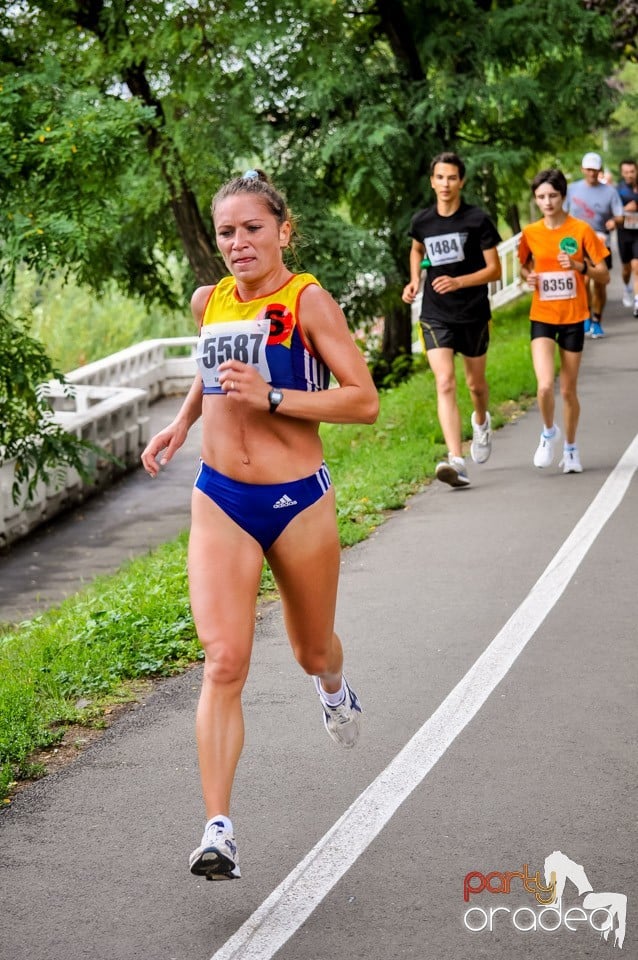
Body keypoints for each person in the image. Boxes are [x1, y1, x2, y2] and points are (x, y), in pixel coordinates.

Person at [140, 169, 379, 881]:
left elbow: (362, 401)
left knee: (312, 651)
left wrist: (275, 395)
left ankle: (334, 689)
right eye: (226, 231)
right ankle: (219, 830)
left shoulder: (307, 301)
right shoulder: (208, 300)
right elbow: (212, 372)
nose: (238, 242)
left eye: (252, 228)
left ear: (283, 229)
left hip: (296, 500)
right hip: (220, 498)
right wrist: (182, 424)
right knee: (223, 660)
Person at [402, 152, 502, 488]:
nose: (445, 184)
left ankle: (481, 420)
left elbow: (495, 270)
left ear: (462, 182)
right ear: (432, 181)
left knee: (475, 385)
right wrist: (415, 279)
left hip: (472, 312)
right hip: (435, 314)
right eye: (440, 177)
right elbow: (417, 248)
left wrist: (459, 281)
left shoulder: (477, 220)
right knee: (444, 381)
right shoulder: (423, 221)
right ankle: (456, 459)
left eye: (452, 178)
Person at [518, 169, 610, 474]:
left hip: (573, 317)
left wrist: (578, 265)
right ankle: (548, 433)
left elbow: (604, 273)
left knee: (568, 390)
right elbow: (523, 267)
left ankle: (571, 449)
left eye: (552, 196)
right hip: (542, 316)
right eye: (541, 197)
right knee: (544, 386)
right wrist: (528, 277)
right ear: (536, 199)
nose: (547, 201)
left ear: (563, 196)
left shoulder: (581, 230)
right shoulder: (530, 233)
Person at [564, 152, 623, 338]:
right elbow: (562, 215)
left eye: (595, 170)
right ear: (582, 169)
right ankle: (586, 316)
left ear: (600, 171)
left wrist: (614, 222)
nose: (592, 173)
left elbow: (619, 215)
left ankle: (597, 320)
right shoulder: (572, 189)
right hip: (577, 242)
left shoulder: (610, 191)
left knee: (600, 283)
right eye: (588, 170)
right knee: (583, 281)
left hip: (599, 240)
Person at [616, 159, 638, 317]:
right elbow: (613, 212)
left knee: (637, 266)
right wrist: (625, 210)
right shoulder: (617, 190)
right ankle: (626, 288)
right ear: (622, 173)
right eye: (626, 172)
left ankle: (637, 301)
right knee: (626, 268)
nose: (630, 175)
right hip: (624, 233)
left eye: (632, 171)